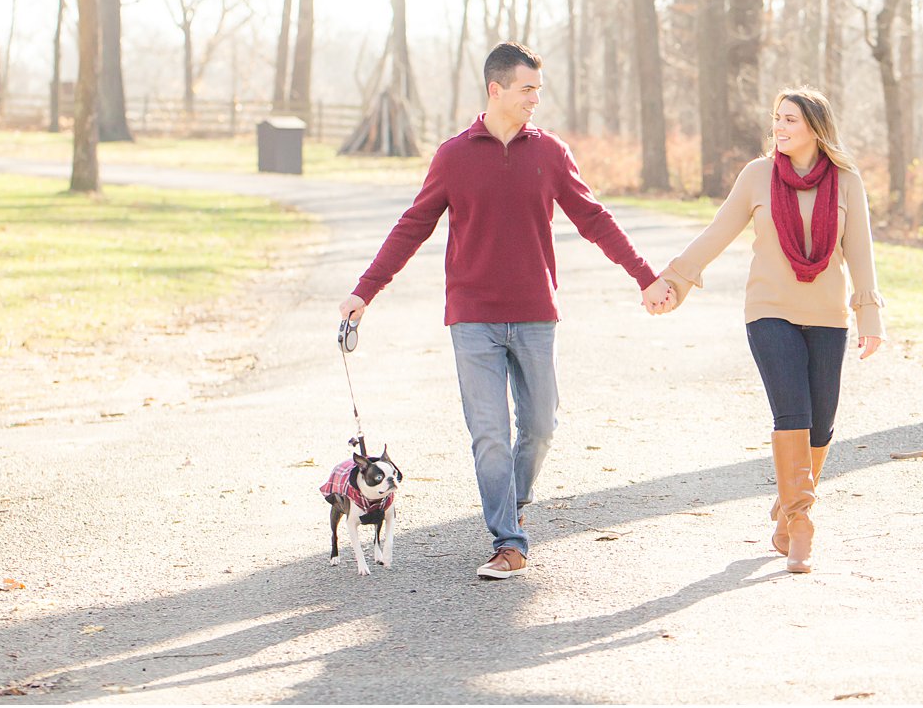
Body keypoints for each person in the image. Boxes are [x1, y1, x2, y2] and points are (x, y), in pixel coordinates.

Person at [339, 42, 674, 581]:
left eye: (538, 90)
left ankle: (511, 502)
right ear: (496, 90)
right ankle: (508, 540)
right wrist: (365, 291)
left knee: (540, 425)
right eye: (527, 90)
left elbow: (594, 218)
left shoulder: (550, 153)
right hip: (472, 317)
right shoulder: (452, 156)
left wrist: (645, 275)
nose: (536, 100)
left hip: (536, 313)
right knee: (489, 432)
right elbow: (413, 225)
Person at [652, 86, 883, 574]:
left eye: (791, 120)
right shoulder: (758, 176)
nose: (779, 127)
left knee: (822, 423)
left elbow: (860, 252)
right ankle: (800, 525)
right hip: (769, 311)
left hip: (826, 314)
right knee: (792, 413)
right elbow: (716, 233)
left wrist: (869, 314)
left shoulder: (846, 181)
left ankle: (785, 506)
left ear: (816, 128)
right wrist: (673, 280)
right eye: (777, 118)